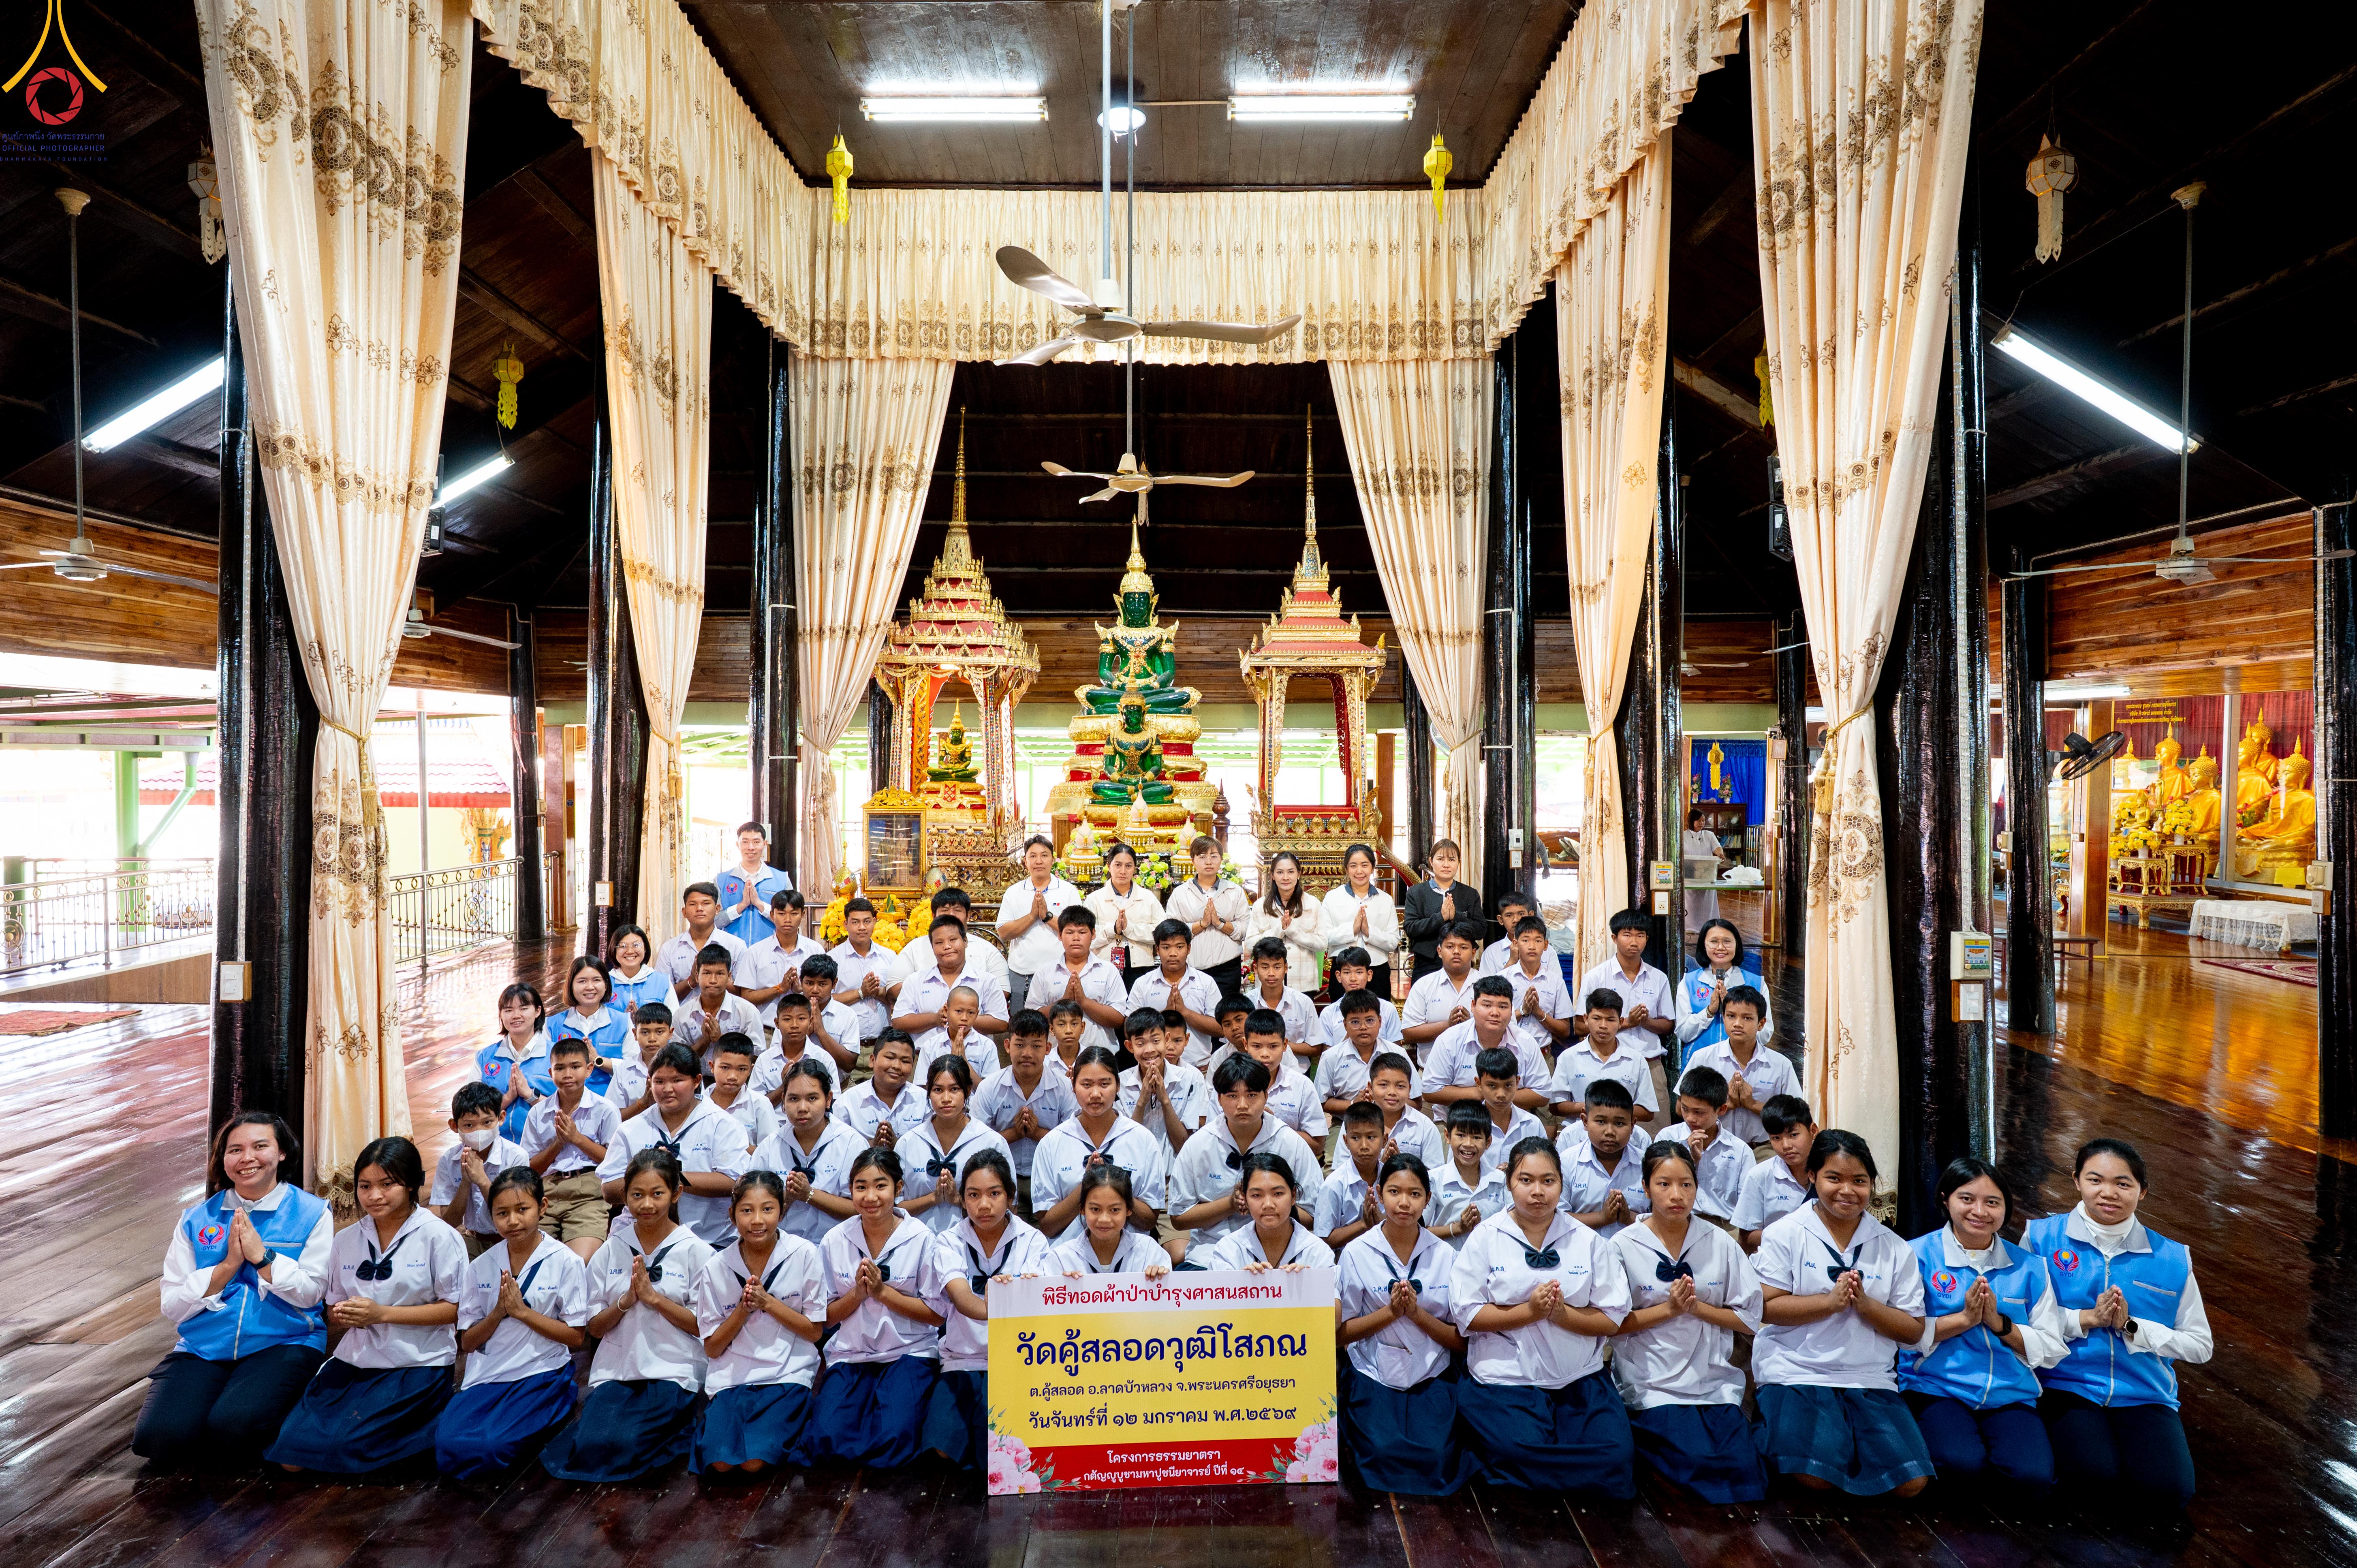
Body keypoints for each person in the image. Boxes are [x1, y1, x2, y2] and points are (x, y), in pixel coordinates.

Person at [132, 1113, 332, 1471]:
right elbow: (173, 1305)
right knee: (158, 1439)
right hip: (203, 1348)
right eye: (235, 1150)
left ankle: (294, 1405)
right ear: (222, 1160)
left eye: (260, 1147)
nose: (246, 1159)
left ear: (283, 1152)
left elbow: (312, 1294)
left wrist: (263, 1257)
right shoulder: (196, 1218)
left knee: (234, 1428)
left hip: (284, 1342)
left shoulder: (313, 1213)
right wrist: (225, 1268)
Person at [2023, 1137, 2209, 1512]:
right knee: (2093, 1478)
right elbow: (2021, 1323)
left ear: (2142, 1192)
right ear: (2076, 1181)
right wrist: (2085, 1320)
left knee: (2169, 1493)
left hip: (2144, 1392)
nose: (2108, 1193)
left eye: (2123, 1184)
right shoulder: (2041, 1238)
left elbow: (2200, 1345)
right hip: (2065, 1384)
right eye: (2095, 1180)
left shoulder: (2172, 1257)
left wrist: (2133, 1328)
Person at [265, 1136, 467, 1474]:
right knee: (291, 1455)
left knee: (347, 1448)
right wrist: (343, 1315)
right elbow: (332, 1309)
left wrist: (382, 1314)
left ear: (413, 1183)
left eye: (387, 1185)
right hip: (356, 1361)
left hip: (416, 1363)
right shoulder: (346, 1240)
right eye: (365, 1186)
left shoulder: (439, 1237)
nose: (374, 1196)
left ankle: (436, 1421)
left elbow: (457, 1309)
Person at [1448, 1136, 1634, 1495]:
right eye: (1526, 1180)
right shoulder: (1486, 1237)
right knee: (1515, 1447)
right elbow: (1467, 1315)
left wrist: (1562, 1316)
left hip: (1577, 1377)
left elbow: (1612, 1316)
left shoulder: (1587, 1239)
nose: (1538, 1192)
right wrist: (1529, 1312)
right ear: (1509, 1184)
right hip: (1507, 1377)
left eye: (1548, 1181)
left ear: (1561, 1185)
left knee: (1616, 1456)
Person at [1752, 1130, 1934, 1497]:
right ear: (1812, 1177)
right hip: (1797, 1369)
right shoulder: (1784, 1234)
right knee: (1815, 1478)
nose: (1847, 1191)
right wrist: (1829, 1303)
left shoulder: (1893, 1247)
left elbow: (1913, 1330)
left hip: (1867, 1376)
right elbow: (1767, 1308)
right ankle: (1765, 1425)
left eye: (1859, 1181)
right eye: (1833, 1178)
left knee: (1910, 1484)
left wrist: (1866, 1307)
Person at [539, 1149, 714, 1481]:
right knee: (593, 1445)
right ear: (625, 1197)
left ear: (676, 1193)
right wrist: (626, 1301)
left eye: (657, 1194)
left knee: (627, 1443)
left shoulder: (697, 1252)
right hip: (619, 1369)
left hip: (673, 1368)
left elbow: (703, 1327)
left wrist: (655, 1300)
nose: (646, 1204)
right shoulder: (611, 1250)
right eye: (637, 1195)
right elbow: (594, 1327)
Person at [1609, 1142, 1767, 1503]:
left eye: (1686, 1185)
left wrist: (1696, 1309)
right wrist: (1668, 1309)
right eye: (1664, 1184)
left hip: (1712, 1378)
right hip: (1651, 1380)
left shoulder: (1720, 1243)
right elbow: (1611, 1323)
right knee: (1692, 1464)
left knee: (1744, 1472)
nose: (1676, 1195)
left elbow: (1749, 1319)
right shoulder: (1622, 1245)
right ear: (1646, 1187)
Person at [1900, 1156, 2065, 1495]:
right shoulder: (1914, 1256)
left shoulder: (2030, 1267)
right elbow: (1903, 1336)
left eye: (1992, 1202)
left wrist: (1998, 1324)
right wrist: (1963, 1320)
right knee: (1960, 1465)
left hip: (2010, 1393)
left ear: (2006, 1209)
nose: (1980, 1211)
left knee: (2032, 1478)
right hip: (1937, 1387)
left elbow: (2050, 1348)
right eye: (1966, 1199)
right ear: (1945, 1199)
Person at [434, 1169, 591, 1479]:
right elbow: (467, 1343)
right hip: (489, 1374)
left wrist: (523, 1313)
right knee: (447, 1445)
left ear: (543, 1207)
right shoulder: (481, 1266)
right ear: (491, 1217)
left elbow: (575, 1338)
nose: (513, 1221)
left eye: (523, 1210)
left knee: (494, 1448)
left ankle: (559, 1399)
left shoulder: (565, 1261)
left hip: (540, 1371)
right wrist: (496, 1314)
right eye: (502, 1213)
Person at [794, 1149, 945, 1469]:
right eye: (861, 1187)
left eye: (881, 1186)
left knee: (895, 1441)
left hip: (910, 1351)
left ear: (899, 1188)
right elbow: (825, 1318)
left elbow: (936, 1314)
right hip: (852, 1353)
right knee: (825, 1441)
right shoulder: (835, 1239)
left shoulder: (921, 1238)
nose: (871, 1196)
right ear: (850, 1191)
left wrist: (882, 1293)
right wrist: (858, 1295)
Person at [1338, 1153, 1473, 1495]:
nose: (1404, 1203)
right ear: (1379, 1194)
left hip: (1431, 1370)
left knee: (1436, 1456)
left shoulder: (1446, 1256)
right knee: (1382, 1452)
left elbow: (1460, 1341)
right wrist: (1391, 1313)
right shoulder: (1356, 1253)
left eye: (1415, 1194)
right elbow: (1339, 1336)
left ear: (1428, 1199)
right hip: (1373, 1369)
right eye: (1394, 1192)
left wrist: (1416, 1314)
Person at [690, 1171, 828, 1477]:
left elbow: (815, 1331)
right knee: (720, 1463)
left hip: (786, 1372)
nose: (757, 1221)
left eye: (768, 1209)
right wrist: (742, 1310)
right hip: (732, 1376)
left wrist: (768, 1303)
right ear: (731, 1214)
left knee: (755, 1461)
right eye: (746, 1211)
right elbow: (712, 1348)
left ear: (783, 1209)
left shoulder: (804, 1254)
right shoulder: (716, 1266)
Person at [924, 1150, 1053, 1469]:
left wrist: (1013, 1299)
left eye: (994, 1194)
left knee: (1003, 1453)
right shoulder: (949, 1241)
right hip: (963, 1357)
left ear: (1011, 1196)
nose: (984, 1205)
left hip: (1017, 1360)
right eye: (974, 1195)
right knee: (942, 1450)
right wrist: (1004, 1300)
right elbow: (961, 1298)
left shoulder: (1032, 1240)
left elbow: (1036, 1304)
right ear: (962, 1199)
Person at [1167, 1055, 1326, 1259]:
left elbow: (1314, 1215)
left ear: (1266, 1096)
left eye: (1251, 1095)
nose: (1242, 1105)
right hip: (1212, 1252)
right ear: (1219, 1099)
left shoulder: (1290, 1142)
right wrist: (1229, 1205)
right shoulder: (1198, 1146)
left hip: (1281, 1252)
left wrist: (1265, 1208)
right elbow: (1179, 1218)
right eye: (1233, 1096)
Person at [599, 1043, 752, 1247]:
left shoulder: (722, 1124)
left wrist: (672, 1176)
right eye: (659, 1082)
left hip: (708, 1239)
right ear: (649, 1083)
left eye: (677, 1080)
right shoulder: (631, 1128)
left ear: (697, 1081)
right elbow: (609, 1189)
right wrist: (649, 1181)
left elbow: (733, 1182)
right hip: (638, 1238)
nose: (668, 1089)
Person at [1030, 1045, 1165, 1246]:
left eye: (1104, 1084)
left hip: (1131, 1255)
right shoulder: (1052, 1143)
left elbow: (1148, 1220)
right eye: (1086, 1084)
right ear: (1073, 1085)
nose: (1095, 1094)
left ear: (1118, 1086)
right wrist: (1087, 1185)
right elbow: (1048, 1226)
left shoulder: (1142, 1139)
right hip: (1068, 1258)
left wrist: (1115, 1188)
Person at [524, 1036, 621, 1263]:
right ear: (551, 1073)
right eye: (560, 1068)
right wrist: (559, 1142)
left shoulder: (605, 1110)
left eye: (575, 1067)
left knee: (579, 1262)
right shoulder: (538, 1114)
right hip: (547, 1192)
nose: (568, 1074)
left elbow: (614, 1161)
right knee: (533, 1262)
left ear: (588, 1070)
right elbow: (529, 1169)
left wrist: (576, 1138)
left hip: (589, 1193)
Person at [970, 1012, 1078, 1213]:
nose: (1027, 1053)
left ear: (1048, 1049)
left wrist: (1037, 1133)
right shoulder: (989, 1088)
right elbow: (977, 1144)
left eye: (1036, 1046)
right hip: (1001, 1180)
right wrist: (1014, 1135)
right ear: (1007, 1046)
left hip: (1051, 1178)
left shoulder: (1064, 1088)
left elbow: (1073, 1144)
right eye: (1020, 1045)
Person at [752, 1059, 866, 1245]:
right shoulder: (770, 1146)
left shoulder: (851, 1143)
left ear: (828, 1099)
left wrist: (809, 1194)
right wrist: (786, 1198)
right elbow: (753, 1208)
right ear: (783, 1101)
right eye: (794, 1099)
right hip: (781, 1248)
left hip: (839, 1247)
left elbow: (861, 1208)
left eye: (812, 1098)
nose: (803, 1108)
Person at [899, 1057, 1015, 1235]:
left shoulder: (991, 1142)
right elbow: (895, 1207)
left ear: (968, 1091)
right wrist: (933, 1199)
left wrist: (957, 1199)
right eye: (938, 1090)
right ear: (928, 1093)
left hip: (975, 1241)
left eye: (954, 1089)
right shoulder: (908, 1143)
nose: (946, 1098)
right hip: (918, 1241)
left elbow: (1009, 1206)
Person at [1581, 909, 1675, 1113]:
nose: (1634, 942)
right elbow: (1581, 1025)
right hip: (1607, 1064)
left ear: (1647, 939)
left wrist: (1644, 1021)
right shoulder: (1596, 977)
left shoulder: (1658, 978)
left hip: (1651, 1066)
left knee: (1656, 1135)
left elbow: (1669, 1025)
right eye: (1627, 935)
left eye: (1640, 935)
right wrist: (1627, 1023)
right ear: (1615, 938)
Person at [1681, 985, 1793, 1148]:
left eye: (1747, 1018)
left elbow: (1793, 1117)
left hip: (1764, 1148)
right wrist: (1727, 1104)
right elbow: (1680, 1107)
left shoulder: (1781, 1065)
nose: (1738, 1024)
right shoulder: (1703, 1058)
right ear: (1723, 1018)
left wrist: (1751, 1104)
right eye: (1731, 1016)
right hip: (1712, 1144)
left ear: (1761, 1023)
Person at [431, 1082, 530, 1259]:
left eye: (487, 1123)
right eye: (469, 1125)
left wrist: (482, 1180)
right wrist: (466, 1182)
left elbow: (513, 1216)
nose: (479, 1131)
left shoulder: (516, 1156)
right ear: (455, 1126)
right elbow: (448, 1222)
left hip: (510, 1241)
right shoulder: (449, 1161)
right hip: (471, 1240)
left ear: (501, 1118)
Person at [1192, 1152, 1335, 1271]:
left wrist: (1311, 1288)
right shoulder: (1229, 1250)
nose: (1268, 1205)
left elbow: (1335, 1305)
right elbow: (1216, 1305)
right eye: (1257, 1195)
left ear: (1293, 1196)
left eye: (1278, 1194)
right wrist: (1240, 1286)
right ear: (1245, 1199)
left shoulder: (1317, 1251)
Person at [1418, 977, 1547, 1108]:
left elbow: (1542, 1094)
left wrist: (1495, 1096)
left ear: (1511, 1009)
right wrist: (1481, 1094)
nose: (1495, 1013)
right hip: (1455, 1123)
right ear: (1473, 1006)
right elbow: (1431, 1091)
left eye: (1503, 1007)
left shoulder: (1526, 1042)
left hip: (1511, 1123)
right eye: (1487, 1005)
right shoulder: (1449, 1040)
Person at [893, 916, 1011, 1060]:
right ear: (932, 948)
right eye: (939, 942)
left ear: (965, 942)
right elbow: (899, 1022)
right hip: (925, 1059)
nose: (947, 947)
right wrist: (935, 1019)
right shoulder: (916, 981)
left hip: (974, 1059)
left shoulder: (986, 981)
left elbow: (1001, 1023)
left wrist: (961, 1018)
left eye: (953, 940)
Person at [1023, 904, 1130, 1054]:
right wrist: (1065, 1001)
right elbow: (1033, 1019)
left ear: (1093, 934)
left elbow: (1119, 1019)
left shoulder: (1108, 971)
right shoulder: (1045, 972)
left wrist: (1084, 1001)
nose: (1076, 938)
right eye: (1070, 932)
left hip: (1100, 1055)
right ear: (1060, 935)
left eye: (1082, 932)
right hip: (1053, 1056)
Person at [1650, 1066, 1749, 1228]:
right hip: (1677, 1223)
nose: (1690, 1118)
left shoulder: (1740, 1150)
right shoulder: (1667, 1138)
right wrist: (1692, 1162)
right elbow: (1657, 1187)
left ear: (1722, 1109)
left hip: (1726, 1227)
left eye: (1699, 1112)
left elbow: (1746, 1206)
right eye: (1685, 1109)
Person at [1547, 988, 1660, 1125]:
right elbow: (1556, 1106)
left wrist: (1610, 1112)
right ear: (1586, 1019)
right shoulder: (1568, 1057)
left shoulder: (1636, 1060)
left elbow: (1648, 1111)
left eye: (1610, 1020)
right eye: (1597, 1019)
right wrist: (1593, 1108)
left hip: (1623, 1134)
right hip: (1579, 1132)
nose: (1603, 1026)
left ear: (1621, 1022)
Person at [1674, 918, 1775, 1071]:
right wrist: (1709, 1012)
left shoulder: (1756, 983)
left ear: (1737, 945)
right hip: (1701, 1068)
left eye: (1727, 941)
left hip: (1744, 1066)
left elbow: (1766, 1033)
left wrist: (1737, 1015)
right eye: (1714, 942)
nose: (1721, 947)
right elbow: (1683, 1033)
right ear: (1704, 945)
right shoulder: (1690, 982)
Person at [1123, 919, 1224, 1066]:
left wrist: (1185, 1012)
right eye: (1166, 947)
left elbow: (1221, 1029)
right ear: (1157, 949)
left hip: (1199, 1067)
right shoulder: (1143, 984)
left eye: (1179, 947)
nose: (1173, 953)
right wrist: (1166, 1013)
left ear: (1189, 948)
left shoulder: (1205, 982)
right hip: (1153, 1066)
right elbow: (1128, 1029)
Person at [995, 835, 1082, 1005]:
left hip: (1060, 972)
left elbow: (1077, 930)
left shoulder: (1068, 890)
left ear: (1053, 860)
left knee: (1061, 1025)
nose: (1039, 861)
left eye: (1044, 855)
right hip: (1022, 973)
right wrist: (1032, 917)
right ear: (1025, 861)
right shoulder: (1014, 892)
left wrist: (1047, 917)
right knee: (1024, 1028)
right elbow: (1003, 933)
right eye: (1033, 856)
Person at [1559, 1080, 1651, 1240]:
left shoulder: (1648, 1165)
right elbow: (1556, 1219)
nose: (1610, 1132)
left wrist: (1629, 1218)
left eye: (1620, 1123)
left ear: (1633, 1124)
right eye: (1601, 1122)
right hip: (1581, 1253)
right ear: (1585, 1121)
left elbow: (1663, 1219)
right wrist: (1602, 1218)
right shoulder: (1567, 1163)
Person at [1117, 1006, 1212, 1160]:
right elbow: (1127, 1143)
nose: (1149, 1050)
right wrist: (1142, 1101)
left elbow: (1184, 1144)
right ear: (1130, 1047)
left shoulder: (1189, 1079)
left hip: (1175, 1175)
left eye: (1156, 1041)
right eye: (1140, 1044)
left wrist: (1164, 1099)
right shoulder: (1121, 1083)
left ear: (1166, 1040)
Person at [1161, 835, 1250, 994]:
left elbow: (1246, 929)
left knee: (1225, 1016)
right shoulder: (1181, 893)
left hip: (1228, 968)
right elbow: (1172, 932)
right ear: (1193, 860)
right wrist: (1201, 924)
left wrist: (1220, 924)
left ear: (1221, 859)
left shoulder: (1234, 891)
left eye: (1214, 856)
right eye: (1202, 857)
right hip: (1192, 968)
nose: (1208, 862)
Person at [1048, 1165, 1175, 1275]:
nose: (1104, 1219)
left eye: (1114, 1210)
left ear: (1129, 1210)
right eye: (1095, 1209)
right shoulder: (1061, 1259)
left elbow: (1168, 1299)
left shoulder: (1149, 1252)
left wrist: (1161, 1280)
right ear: (1082, 1209)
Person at [1733, 1095, 1819, 1252]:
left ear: (1813, 1131)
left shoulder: (1828, 1173)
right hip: (1775, 1263)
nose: (1786, 1146)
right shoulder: (1760, 1176)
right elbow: (1746, 1239)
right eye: (1776, 1138)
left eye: (1794, 1135)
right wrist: (1794, 1237)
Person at [1321, 847, 1402, 1003]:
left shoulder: (1385, 899)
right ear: (1346, 869)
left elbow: (1393, 942)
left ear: (1373, 868)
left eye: (1365, 865)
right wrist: (1352, 929)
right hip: (1343, 971)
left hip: (1376, 971)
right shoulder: (1332, 898)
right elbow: (1325, 936)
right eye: (1353, 866)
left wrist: (1369, 932)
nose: (1359, 871)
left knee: (1377, 1019)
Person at [1313, 988, 1391, 1147]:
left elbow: (1416, 1101)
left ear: (1380, 1021)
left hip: (1390, 1122)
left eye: (1370, 1020)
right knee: (1331, 1169)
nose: (1363, 1027)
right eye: (1355, 1022)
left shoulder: (1395, 1053)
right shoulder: (1331, 1057)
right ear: (1345, 1025)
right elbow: (1321, 1102)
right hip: (1345, 1124)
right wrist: (1353, 1103)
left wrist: (1385, 1101)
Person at [477, 983, 553, 1144]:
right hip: (497, 1149)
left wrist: (530, 1095)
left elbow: (570, 1108)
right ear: (501, 1015)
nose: (516, 1015)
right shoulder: (485, 1057)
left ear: (538, 1011)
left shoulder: (556, 1055)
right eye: (509, 1010)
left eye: (524, 1009)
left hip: (546, 1148)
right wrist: (508, 1097)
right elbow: (472, 1111)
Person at [546, 956, 630, 1098]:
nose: (590, 987)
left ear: (606, 985)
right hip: (565, 1105)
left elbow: (633, 1068)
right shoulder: (552, 1025)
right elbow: (546, 1069)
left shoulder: (623, 1021)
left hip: (613, 1102)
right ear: (571, 985)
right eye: (582, 981)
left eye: (597, 980)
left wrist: (599, 1060)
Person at [829, 897, 910, 1045]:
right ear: (845, 925)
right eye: (855, 922)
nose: (862, 927)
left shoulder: (889, 956)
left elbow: (901, 1000)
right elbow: (826, 1000)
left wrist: (877, 992)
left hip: (882, 1044)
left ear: (874, 922)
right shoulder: (833, 959)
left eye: (867, 921)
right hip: (845, 1045)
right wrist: (861, 993)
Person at [739, 889, 825, 1029]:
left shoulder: (815, 950)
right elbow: (746, 997)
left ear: (803, 915)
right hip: (767, 1030)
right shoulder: (756, 952)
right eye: (782, 913)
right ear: (772, 915)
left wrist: (802, 990)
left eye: (794, 914)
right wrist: (780, 989)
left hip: (806, 1031)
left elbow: (825, 994)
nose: (788, 919)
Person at [1242, 851, 1325, 994]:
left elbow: (1322, 944)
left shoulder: (1313, 904)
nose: (1286, 878)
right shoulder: (1260, 905)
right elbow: (1250, 944)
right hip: (1269, 984)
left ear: (1299, 874)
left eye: (1291, 872)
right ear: (1273, 876)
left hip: (1303, 984)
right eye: (1280, 872)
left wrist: (1293, 931)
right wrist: (1278, 930)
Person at [1084, 840, 1165, 985]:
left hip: (1141, 967)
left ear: (1135, 868)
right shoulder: (1094, 899)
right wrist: (1113, 929)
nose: (1123, 871)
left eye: (1128, 866)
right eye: (1118, 865)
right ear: (1109, 866)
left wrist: (1130, 929)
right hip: (1104, 966)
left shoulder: (1148, 897)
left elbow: (1163, 934)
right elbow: (1087, 939)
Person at [1241, 1009, 1328, 1143]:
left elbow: (1317, 1144)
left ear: (1285, 1045)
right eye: (1257, 1046)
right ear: (1246, 1045)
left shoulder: (1302, 1086)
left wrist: (1275, 1126)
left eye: (1273, 1046)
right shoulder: (1230, 1084)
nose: (1265, 1054)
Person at [672, 944, 765, 1070]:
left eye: (720, 974)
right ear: (697, 974)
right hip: (694, 1082)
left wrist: (721, 1039)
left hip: (737, 1083)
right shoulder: (682, 1015)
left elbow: (758, 1058)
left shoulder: (747, 1012)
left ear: (729, 976)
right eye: (707, 973)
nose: (713, 980)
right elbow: (677, 1061)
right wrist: (704, 1041)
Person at [1402, 840, 1482, 982]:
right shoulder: (1417, 893)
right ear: (1431, 862)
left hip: (1462, 965)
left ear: (1459, 862)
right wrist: (1441, 918)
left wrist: (1456, 916)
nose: (1446, 865)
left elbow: (1481, 930)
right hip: (1427, 964)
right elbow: (1411, 928)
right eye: (1441, 859)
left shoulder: (1470, 894)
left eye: (1452, 860)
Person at [1429, 1103, 1509, 1247]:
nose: (1468, 1144)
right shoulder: (1434, 1180)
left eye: (1477, 1137)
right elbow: (1419, 1231)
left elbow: (1511, 1225)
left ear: (1488, 1142)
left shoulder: (1500, 1180)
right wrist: (1458, 1229)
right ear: (1447, 1136)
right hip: (1447, 1263)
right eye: (1461, 1135)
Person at [1495, 916, 1574, 1059]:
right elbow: (1494, 1022)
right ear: (1516, 943)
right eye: (1525, 940)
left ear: (1545, 945)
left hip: (1544, 1056)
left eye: (1538, 941)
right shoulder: (1503, 979)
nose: (1532, 947)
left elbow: (1565, 1030)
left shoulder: (1556, 982)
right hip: (1508, 1056)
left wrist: (1539, 1013)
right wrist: (1523, 1011)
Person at [1314, 1101, 1390, 1249]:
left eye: (1371, 1137)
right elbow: (1323, 1241)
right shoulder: (1334, 1185)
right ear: (1346, 1141)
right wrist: (1363, 1225)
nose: (1364, 1146)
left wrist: (1383, 1223)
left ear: (1384, 1140)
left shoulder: (1392, 1179)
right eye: (1355, 1138)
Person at [1401, 923, 1483, 1056]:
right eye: (1450, 947)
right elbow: (1409, 1033)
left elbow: (1503, 1027)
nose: (1456, 952)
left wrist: (1471, 1025)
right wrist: (1448, 1025)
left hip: (1476, 1072)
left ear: (1473, 953)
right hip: (1430, 1071)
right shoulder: (1424, 985)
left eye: (1463, 947)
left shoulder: (1487, 984)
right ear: (1440, 951)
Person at [1242, 936, 1320, 1072]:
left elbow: (1315, 1048)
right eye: (1265, 967)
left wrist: (1278, 1045)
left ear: (1285, 968)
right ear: (1256, 968)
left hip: (1298, 1074)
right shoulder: (1247, 1004)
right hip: (1255, 1073)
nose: (1271, 974)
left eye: (1277, 967)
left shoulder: (1303, 1003)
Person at [659, 882, 750, 1000]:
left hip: (726, 1018)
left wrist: (715, 977)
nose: (700, 909)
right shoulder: (669, 948)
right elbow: (662, 995)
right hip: (683, 1018)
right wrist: (691, 981)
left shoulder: (736, 945)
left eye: (706, 903)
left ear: (717, 909)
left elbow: (744, 992)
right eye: (693, 904)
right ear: (684, 912)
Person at [837, 1030, 928, 1145]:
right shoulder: (847, 1103)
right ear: (872, 1060)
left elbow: (928, 1148)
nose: (896, 1066)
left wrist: (900, 1146)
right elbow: (839, 1148)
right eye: (890, 1058)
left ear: (912, 1066)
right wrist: (871, 1146)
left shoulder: (924, 1101)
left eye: (905, 1061)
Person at [1363, 1050, 1449, 1171]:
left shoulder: (1425, 1127)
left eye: (1400, 1086)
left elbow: (1434, 1176)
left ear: (1410, 1090)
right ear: (1370, 1088)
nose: (1392, 1092)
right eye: (1384, 1085)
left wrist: (1403, 1167)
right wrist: (1380, 1166)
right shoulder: (1357, 1121)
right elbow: (1345, 1171)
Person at [716, 821, 795, 946]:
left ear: (764, 844)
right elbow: (713, 921)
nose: (751, 847)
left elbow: (792, 919)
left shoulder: (782, 879)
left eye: (756, 842)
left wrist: (760, 905)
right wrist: (741, 906)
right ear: (738, 845)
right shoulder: (721, 880)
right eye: (745, 842)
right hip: (730, 952)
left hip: (771, 950)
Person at [1470, 1047, 1547, 1170]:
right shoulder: (1468, 1125)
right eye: (1492, 1086)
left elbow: (1544, 1167)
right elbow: (1457, 1170)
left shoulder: (1532, 1124)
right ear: (1479, 1083)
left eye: (1508, 1085)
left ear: (1517, 1082)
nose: (1501, 1094)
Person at [1317, 948, 1403, 1053]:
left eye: (1359, 972)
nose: (1353, 978)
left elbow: (1397, 1052)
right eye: (1347, 973)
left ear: (1369, 975)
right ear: (1339, 976)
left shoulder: (1387, 1009)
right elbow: (1328, 1057)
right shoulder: (1329, 1014)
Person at [707, 1033, 780, 1153]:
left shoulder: (760, 1104)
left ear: (750, 1070)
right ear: (712, 1066)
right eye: (725, 1068)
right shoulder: (699, 1103)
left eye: (742, 1069)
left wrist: (733, 1146)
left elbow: (772, 1152)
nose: (733, 1077)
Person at [603, 1002, 676, 1121]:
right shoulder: (625, 1070)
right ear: (635, 1034)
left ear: (670, 1033)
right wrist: (642, 1103)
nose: (652, 1039)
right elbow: (612, 1117)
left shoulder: (684, 1066)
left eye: (659, 1032)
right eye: (645, 1032)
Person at [928, 888, 1010, 991]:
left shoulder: (988, 950)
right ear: (934, 916)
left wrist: (967, 1005)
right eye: (945, 911)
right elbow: (902, 985)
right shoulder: (915, 948)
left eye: (958, 910)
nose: (952, 915)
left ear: (968, 915)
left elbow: (1003, 990)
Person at [913, 985, 1000, 1081]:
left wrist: (964, 1063)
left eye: (971, 1013)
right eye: (959, 1011)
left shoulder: (987, 1046)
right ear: (946, 1011)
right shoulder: (931, 1046)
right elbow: (923, 1088)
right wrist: (950, 1064)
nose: (964, 1018)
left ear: (977, 1014)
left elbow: (990, 1092)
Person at [607, 925, 671, 1018]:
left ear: (645, 948)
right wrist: (623, 1021)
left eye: (636, 945)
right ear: (614, 950)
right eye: (623, 946)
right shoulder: (605, 982)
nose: (630, 951)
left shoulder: (662, 982)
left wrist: (643, 1023)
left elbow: (673, 1021)